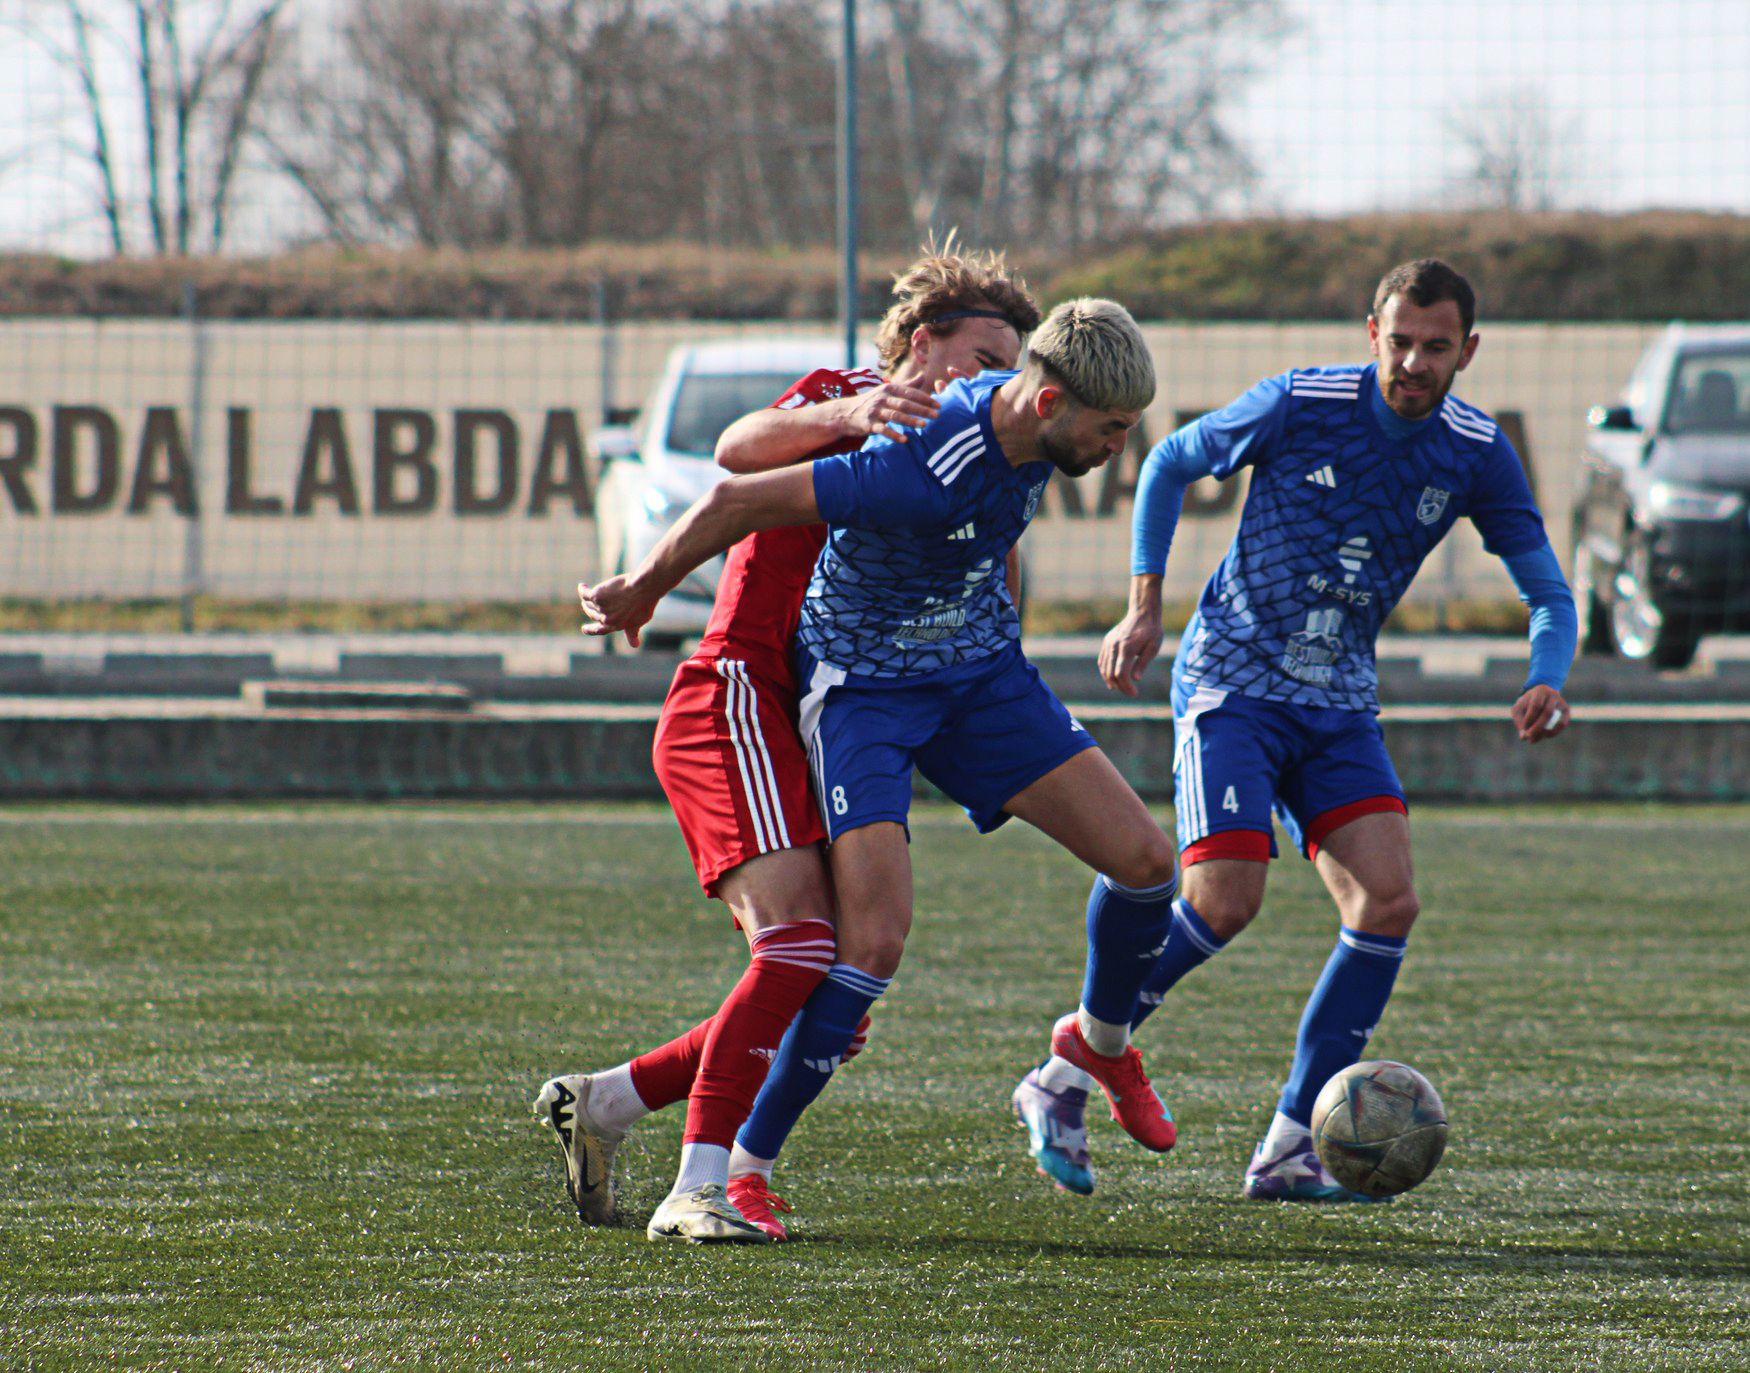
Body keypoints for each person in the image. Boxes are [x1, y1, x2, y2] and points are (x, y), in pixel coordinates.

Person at [576, 296, 1186, 1238]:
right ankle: (740, 1170)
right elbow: (738, 483)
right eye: (1111, 430)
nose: (1120, 446)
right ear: (1050, 401)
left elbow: (998, 539)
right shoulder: (913, 458)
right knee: (862, 948)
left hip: (981, 680)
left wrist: (1002, 639)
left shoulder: (1025, 420)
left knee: (1150, 864)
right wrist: (641, 589)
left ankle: (1095, 1046)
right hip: (866, 695)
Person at [1010, 259, 1576, 1201]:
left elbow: (1548, 592)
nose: (1414, 363)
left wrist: (1545, 677)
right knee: (1226, 900)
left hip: (1339, 699)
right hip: (1232, 677)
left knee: (1387, 904)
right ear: (1372, 333)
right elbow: (1168, 462)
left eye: (1436, 348)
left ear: (1467, 351)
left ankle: (1287, 1145)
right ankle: (1068, 1070)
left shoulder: (1475, 450)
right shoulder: (1299, 403)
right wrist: (1144, 607)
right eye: (1399, 341)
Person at [535, 241, 1040, 1244]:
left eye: (1010, 365)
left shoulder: (979, 454)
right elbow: (735, 447)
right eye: (982, 355)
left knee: (835, 996)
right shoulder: (855, 396)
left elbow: (999, 568)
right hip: (733, 694)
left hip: (821, 717)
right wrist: (849, 413)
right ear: (922, 344)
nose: (996, 382)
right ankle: (699, 1188)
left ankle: (607, 1103)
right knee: (800, 946)